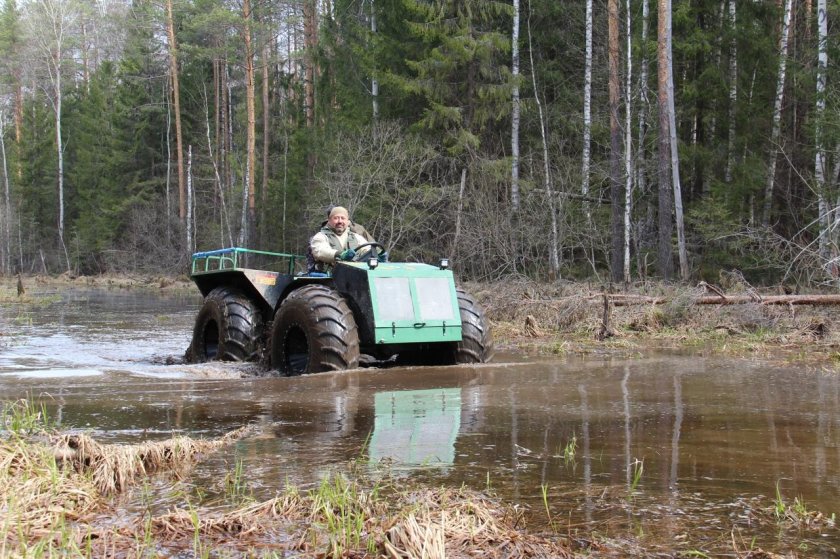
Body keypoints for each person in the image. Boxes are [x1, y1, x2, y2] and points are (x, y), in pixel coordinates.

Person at [309, 206, 371, 273]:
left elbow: (367, 249)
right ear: (329, 220)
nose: (340, 221)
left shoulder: (356, 237)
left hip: (354, 274)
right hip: (330, 276)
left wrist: (376, 255)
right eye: (336, 218)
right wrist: (339, 254)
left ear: (347, 221)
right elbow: (320, 251)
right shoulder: (320, 236)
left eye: (343, 218)